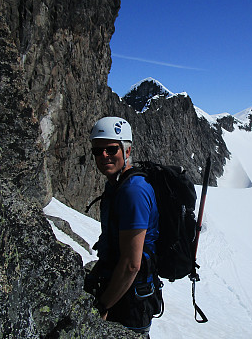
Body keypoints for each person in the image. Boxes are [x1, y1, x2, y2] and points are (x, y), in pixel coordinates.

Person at [87, 116, 161, 337]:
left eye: (111, 149)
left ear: (127, 151)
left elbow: (131, 264)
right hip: (124, 292)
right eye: (97, 151)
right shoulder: (118, 185)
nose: (104, 156)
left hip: (130, 302)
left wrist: (102, 306)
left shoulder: (133, 191)